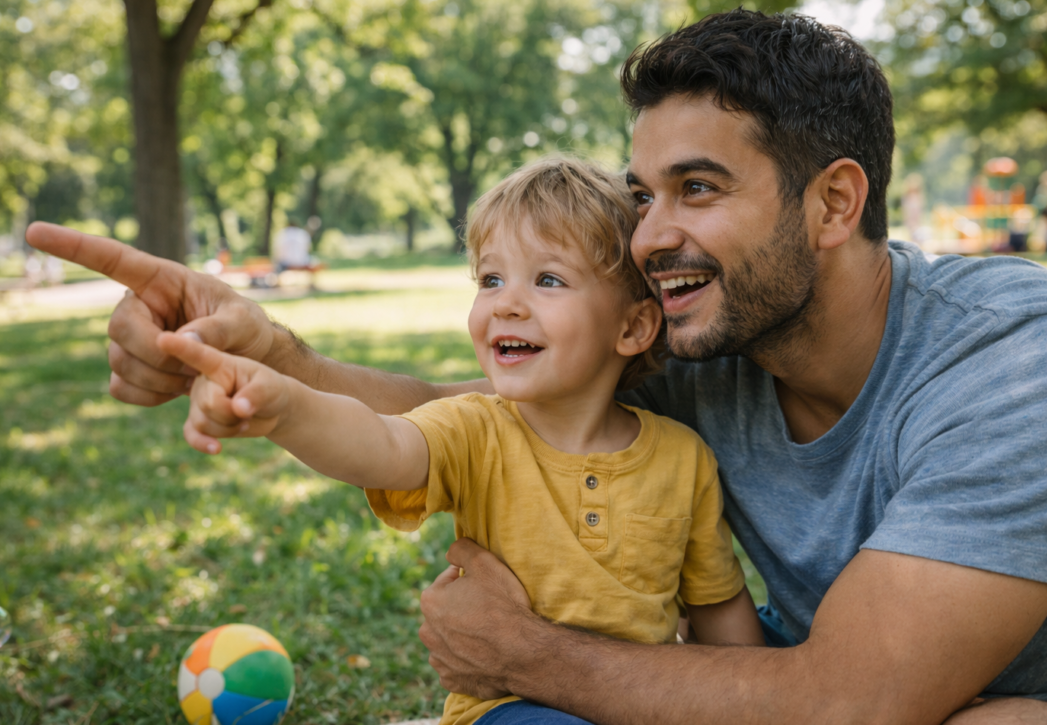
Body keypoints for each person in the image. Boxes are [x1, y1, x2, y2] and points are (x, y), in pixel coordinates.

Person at [25, 10, 1047, 723]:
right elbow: (471, 418)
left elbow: (852, 701)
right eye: (643, 194)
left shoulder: (1024, 367)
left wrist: (525, 652)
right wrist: (269, 355)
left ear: (835, 202)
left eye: (698, 189)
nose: (649, 235)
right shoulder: (713, 335)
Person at [156, 158, 763, 725]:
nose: (507, 304)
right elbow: (378, 444)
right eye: (491, 278)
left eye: (548, 279)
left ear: (632, 327)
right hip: (507, 707)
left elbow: (718, 605)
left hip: (636, 702)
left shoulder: (683, 458)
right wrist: (286, 407)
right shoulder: (474, 428)